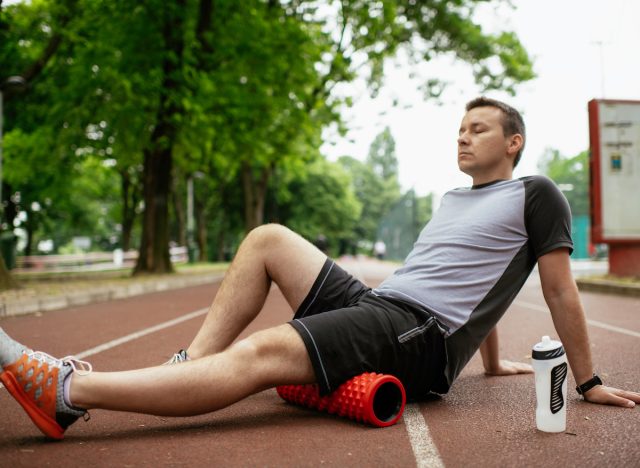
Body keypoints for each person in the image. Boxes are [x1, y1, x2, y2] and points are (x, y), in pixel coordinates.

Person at [1, 97, 638, 441]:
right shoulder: (455, 199)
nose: (463, 138)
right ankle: (186, 366)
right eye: (459, 129)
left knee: (262, 354)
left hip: (416, 335)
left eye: (478, 129)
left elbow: (560, 291)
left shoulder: (538, 193)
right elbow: (477, 281)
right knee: (267, 238)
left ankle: (66, 393)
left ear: (514, 141)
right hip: (381, 306)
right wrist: (494, 363)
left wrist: (585, 383)